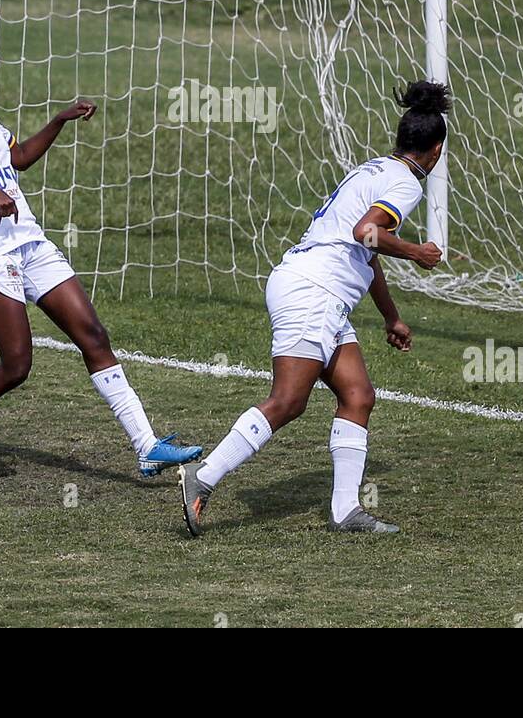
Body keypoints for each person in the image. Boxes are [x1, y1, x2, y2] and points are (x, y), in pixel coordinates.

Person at [0, 6, 202, 484]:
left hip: (29, 242)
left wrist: (59, 120)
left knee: (92, 334)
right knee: (17, 364)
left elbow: (18, 158)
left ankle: (147, 446)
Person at [179, 81, 449, 535]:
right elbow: (367, 233)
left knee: (358, 395)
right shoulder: (404, 183)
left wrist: (391, 316)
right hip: (314, 291)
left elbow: (366, 251)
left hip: (312, 287)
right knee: (287, 401)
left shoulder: (373, 170)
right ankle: (201, 477)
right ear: (436, 150)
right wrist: (416, 252)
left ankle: (345, 511)